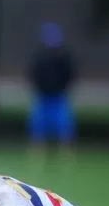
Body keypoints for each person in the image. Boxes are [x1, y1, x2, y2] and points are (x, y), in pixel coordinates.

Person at [28, 22, 76, 150]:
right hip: (42, 95)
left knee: (64, 126)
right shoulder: (39, 56)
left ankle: (65, 151)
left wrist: (64, 87)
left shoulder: (64, 57)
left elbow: (70, 75)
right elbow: (33, 73)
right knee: (38, 126)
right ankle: (37, 151)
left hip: (59, 95)